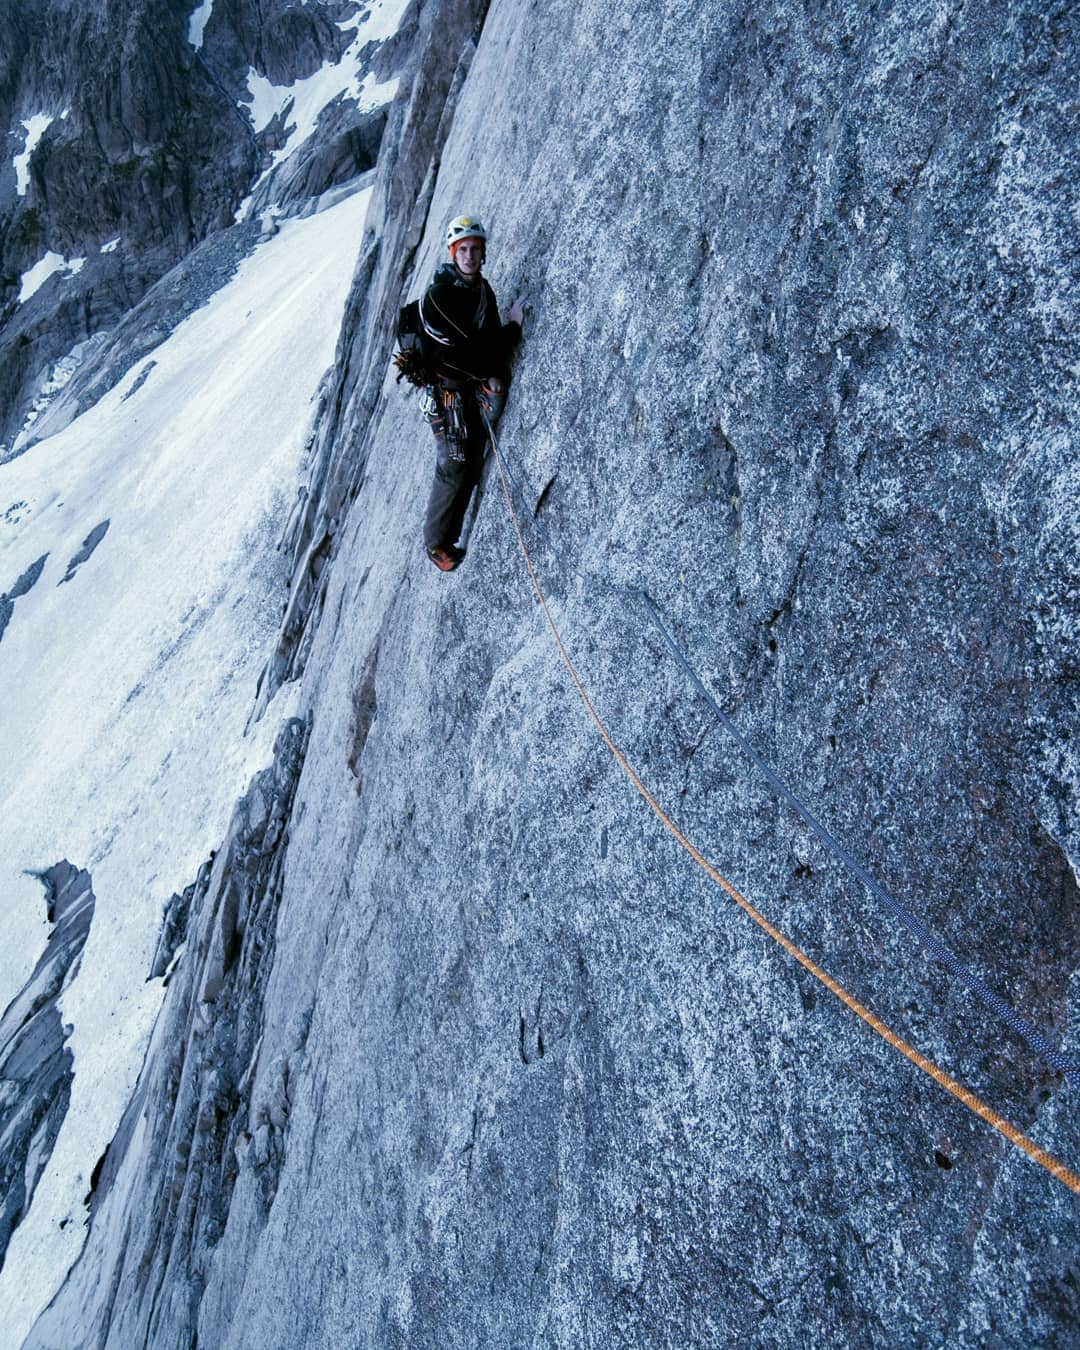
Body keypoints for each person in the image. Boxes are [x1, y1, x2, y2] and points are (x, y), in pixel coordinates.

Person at [415, 215, 525, 571]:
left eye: (475, 250)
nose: (469, 256)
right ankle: (437, 546)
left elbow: (486, 339)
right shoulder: (439, 297)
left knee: (472, 456)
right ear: (453, 253)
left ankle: (451, 532)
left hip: (466, 384)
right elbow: (465, 352)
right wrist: (505, 342)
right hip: (447, 391)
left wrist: (505, 332)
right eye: (463, 250)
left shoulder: (482, 291)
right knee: (454, 463)